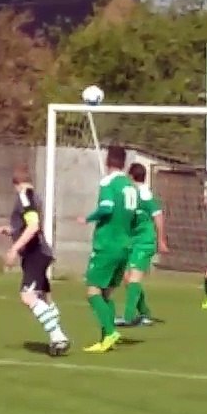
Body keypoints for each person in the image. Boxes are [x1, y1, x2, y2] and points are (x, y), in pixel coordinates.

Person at [0, 165, 70, 356]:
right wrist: (8, 230)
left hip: (35, 253)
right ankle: (56, 331)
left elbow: (33, 225)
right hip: (39, 252)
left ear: (16, 183)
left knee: (28, 296)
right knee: (44, 298)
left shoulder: (24, 196)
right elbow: (26, 224)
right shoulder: (34, 196)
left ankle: (58, 337)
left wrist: (14, 249)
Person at [77, 145, 134, 353]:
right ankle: (105, 340)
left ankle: (110, 332)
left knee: (93, 291)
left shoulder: (108, 183)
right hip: (125, 245)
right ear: (124, 163)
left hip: (107, 245)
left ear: (108, 160)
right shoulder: (130, 186)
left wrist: (88, 218)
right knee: (106, 294)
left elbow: (107, 207)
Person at [117, 162, 169, 327]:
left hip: (144, 242)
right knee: (127, 278)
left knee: (134, 278)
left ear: (131, 176)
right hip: (132, 241)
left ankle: (128, 316)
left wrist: (161, 240)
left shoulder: (145, 195)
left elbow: (158, 216)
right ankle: (145, 313)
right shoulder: (130, 194)